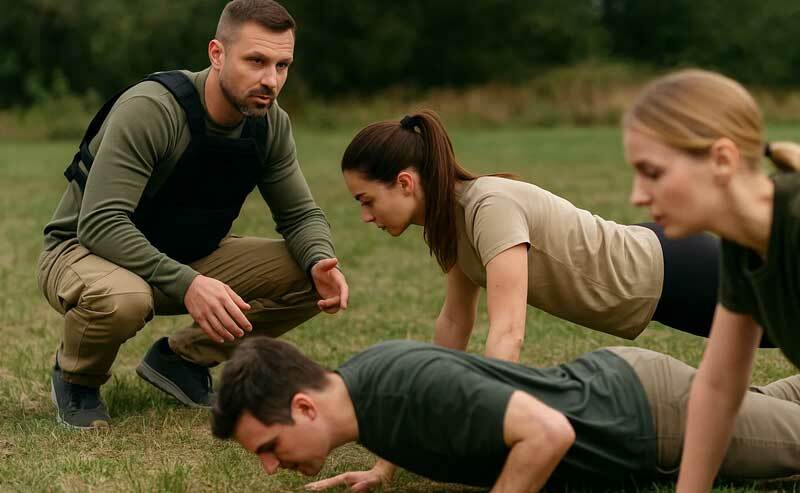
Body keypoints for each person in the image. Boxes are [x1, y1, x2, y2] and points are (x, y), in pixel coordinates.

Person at [37, 0, 348, 429]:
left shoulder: (270, 124)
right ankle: (77, 379)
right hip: (83, 253)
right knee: (124, 299)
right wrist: (189, 284)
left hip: (184, 257)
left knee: (313, 275)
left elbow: (300, 216)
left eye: (282, 65)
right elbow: (101, 223)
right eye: (256, 60)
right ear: (216, 54)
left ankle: (181, 360)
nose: (270, 80)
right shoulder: (153, 110)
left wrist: (319, 259)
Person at [339, 109, 763, 364]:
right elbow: (454, 321)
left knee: (786, 323)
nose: (363, 215)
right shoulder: (449, 223)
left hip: (668, 271)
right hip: (654, 287)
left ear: (405, 183)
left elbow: (509, 332)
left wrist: (492, 417)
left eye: (367, 200)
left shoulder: (487, 206)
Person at [211, 337, 800, 492]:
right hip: (629, 385)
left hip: (648, 415)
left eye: (268, 446)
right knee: (773, 408)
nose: (268, 467)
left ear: (304, 406)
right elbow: (419, 415)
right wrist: (383, 470)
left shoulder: (407, 388)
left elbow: (548, 433)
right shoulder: (360, 389)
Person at [623, 69, 800, 492]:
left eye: (653, 172)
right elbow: (718, 387)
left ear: (722, 159)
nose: (637, 195)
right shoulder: (746, 246)